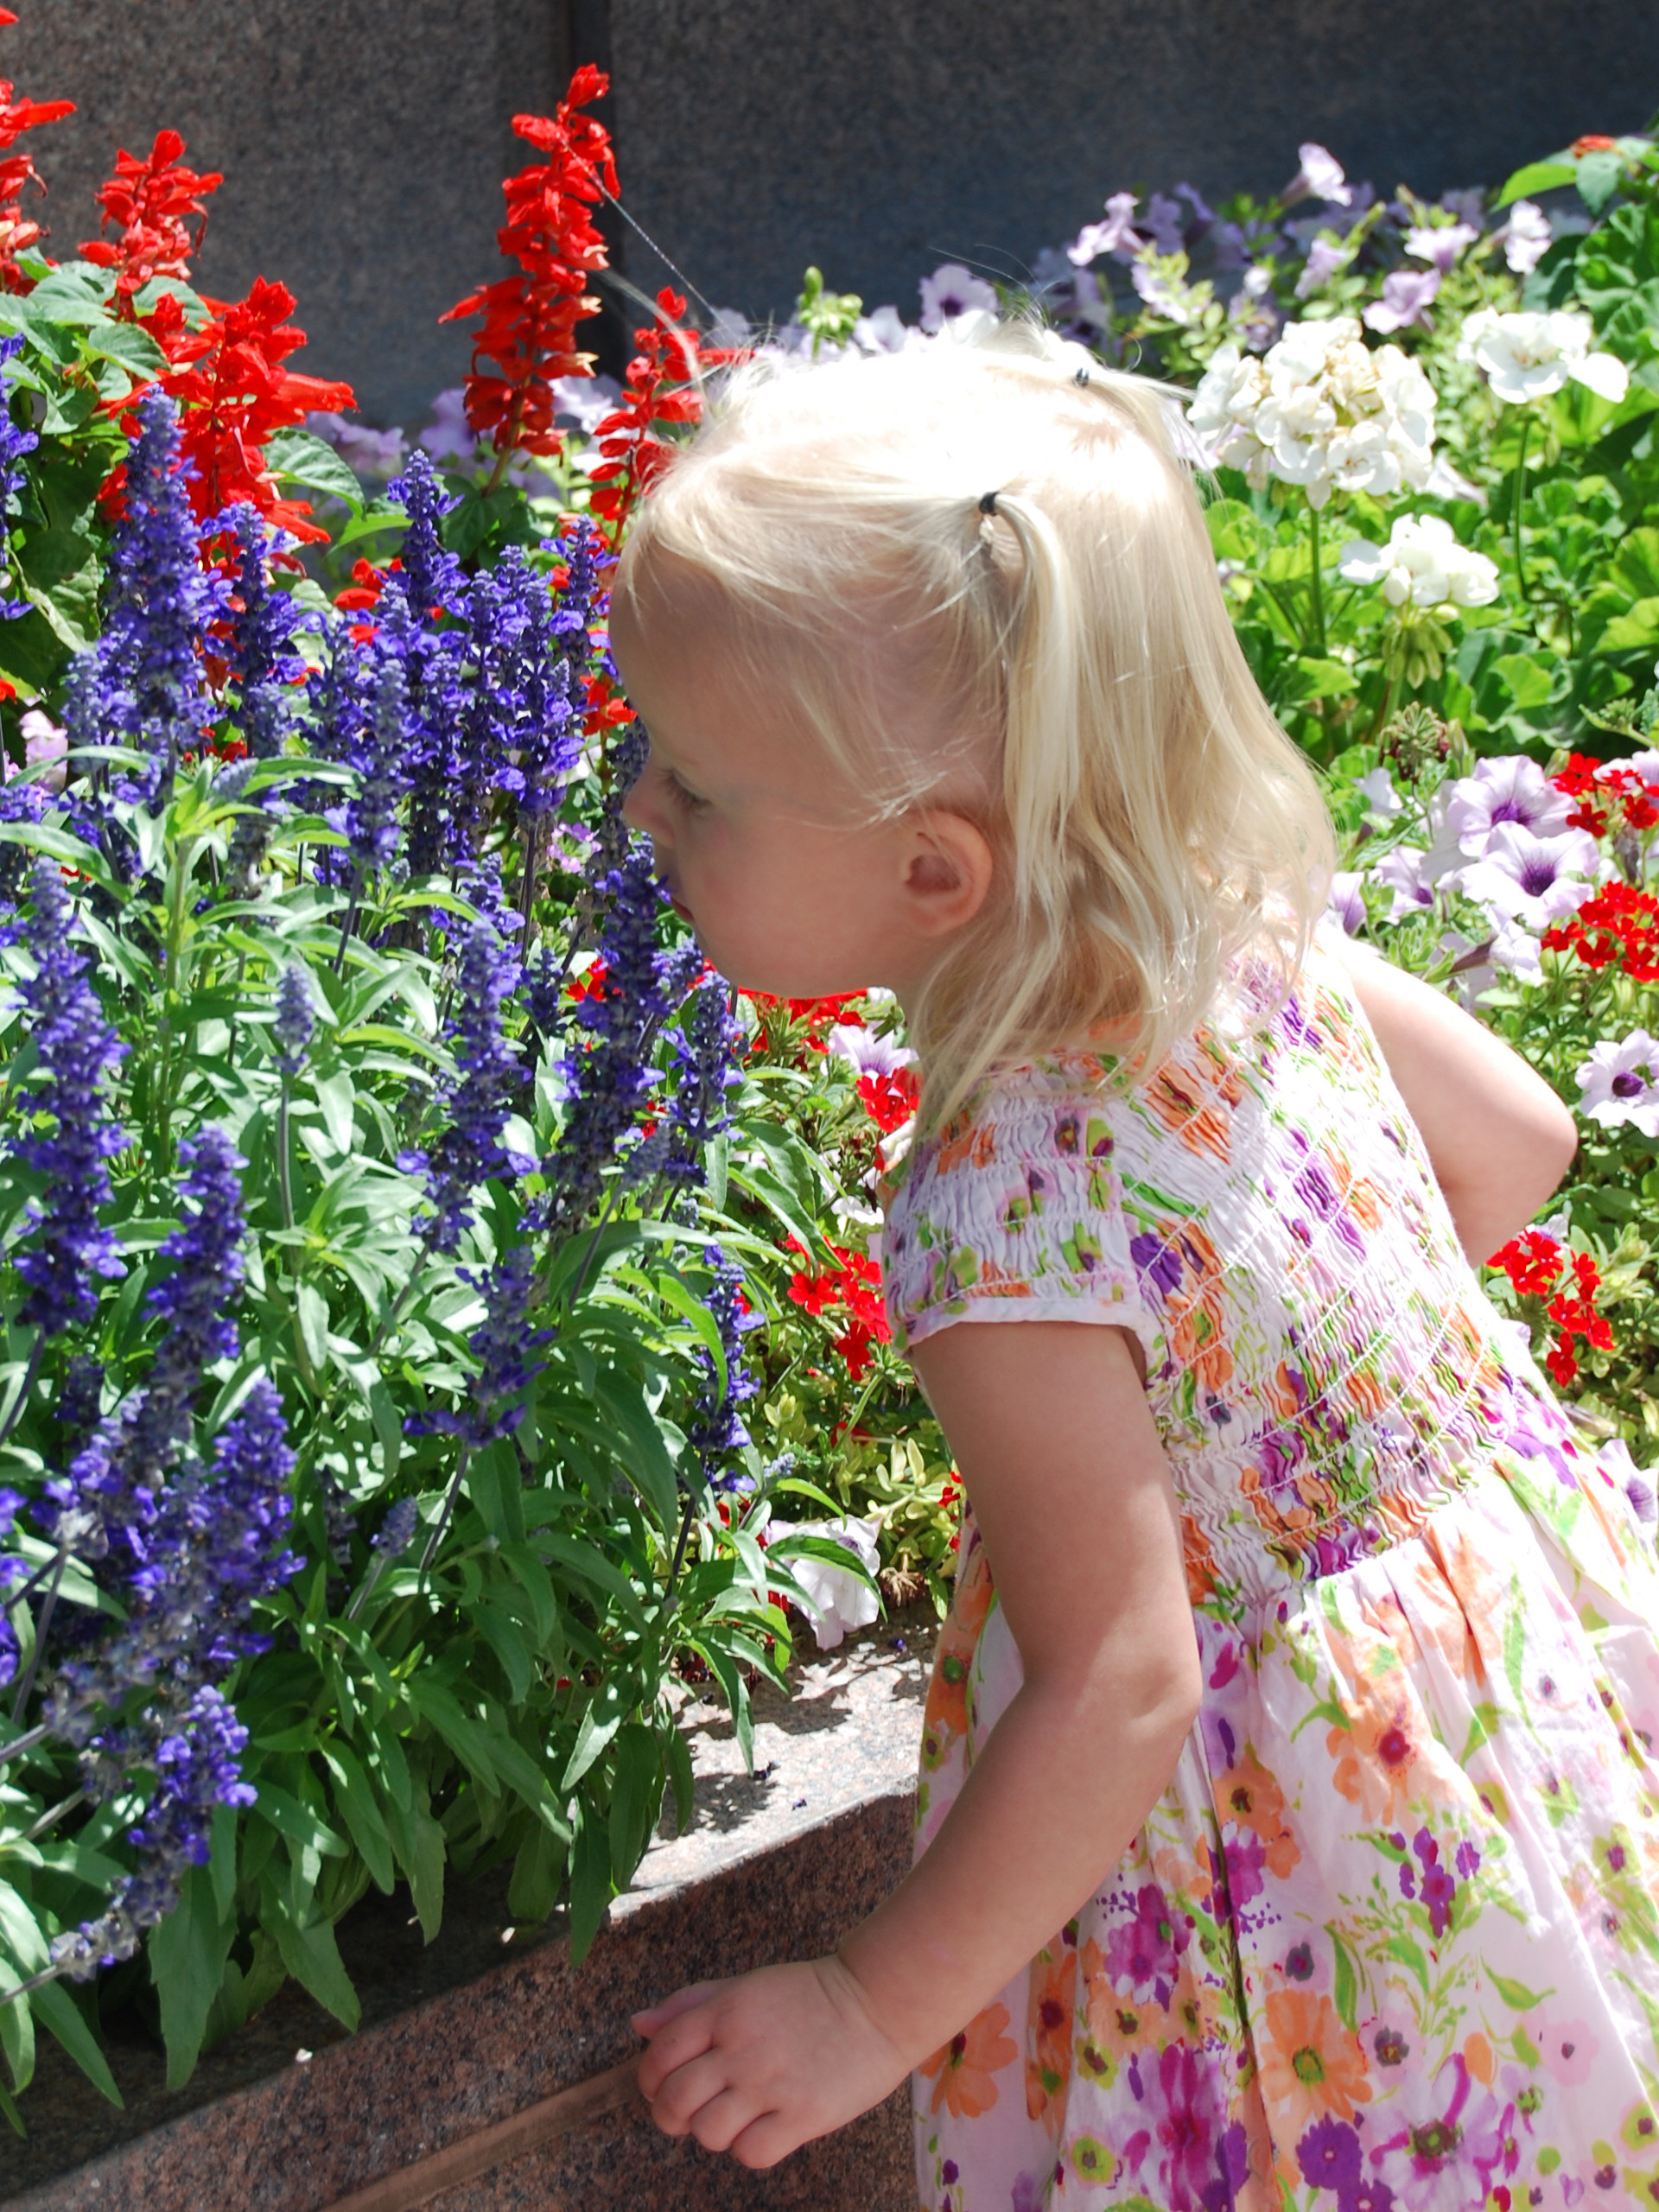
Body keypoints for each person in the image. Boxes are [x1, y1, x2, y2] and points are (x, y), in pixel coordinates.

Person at [608, 317, 1659, 2212]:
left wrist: (865, 2004)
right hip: (1504, 1731)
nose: (639, 816)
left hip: (1308, 1870)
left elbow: (1123, 1677)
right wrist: (1315, 1416)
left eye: (696, 787)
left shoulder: (997, 1207)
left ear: (937, 873)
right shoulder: (1246, 944)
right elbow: (1520, 1146)